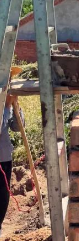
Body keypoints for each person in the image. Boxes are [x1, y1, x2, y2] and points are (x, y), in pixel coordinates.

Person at [0, 95, 22, 232]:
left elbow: (16, 127)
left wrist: (16, 108)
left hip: (4, 157)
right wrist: (7, 107)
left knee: (2, 198)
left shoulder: (5, 94)